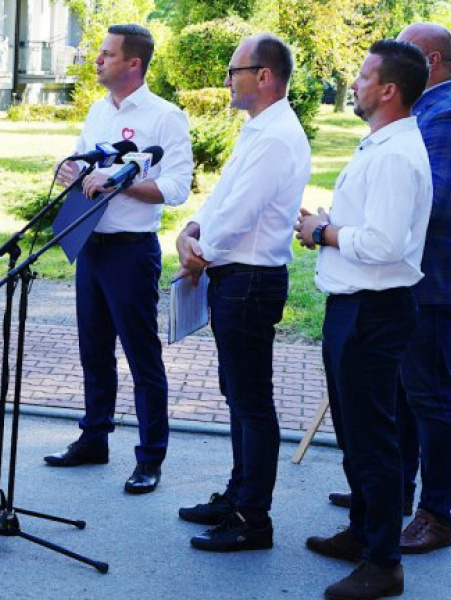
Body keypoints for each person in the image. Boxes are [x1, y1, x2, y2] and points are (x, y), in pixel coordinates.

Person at [323, 23, 451, 556]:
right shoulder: (418, 119)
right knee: (395, 399)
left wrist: (340, 230)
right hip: (395, 276)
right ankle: (390, 494)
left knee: (428, 398)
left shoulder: (449, 118)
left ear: (428, 60)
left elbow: (427, 206)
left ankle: (436, 513)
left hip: (430, 281)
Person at [295, 40, 432, 600]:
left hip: (373, 313)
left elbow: (383, 243)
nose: (353, 83)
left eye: (362, 75)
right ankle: (361, 535)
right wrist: (330, 224)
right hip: (354, 307)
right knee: (355, 434)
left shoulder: (397, 154)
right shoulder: (381, 144)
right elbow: (371, 227)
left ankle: (383, 563)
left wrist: (324, 233)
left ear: (388, 89)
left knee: (373, 439)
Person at [41, 24, 193, 497]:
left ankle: (150, 458)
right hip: (92, 246)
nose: (97, 61)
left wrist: (118, 183)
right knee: (93, 352)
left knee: (142, 358)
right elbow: (86, 170)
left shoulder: (166, 117)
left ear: (134, 63)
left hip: (131, 251)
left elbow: (176, 189)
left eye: (106, 54)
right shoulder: (96, 110)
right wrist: (70, 171)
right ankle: (93, 438)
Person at [173, 34, 311, 551]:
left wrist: (199, 249)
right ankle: (238, 494)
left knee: (252, 402)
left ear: (265, 76)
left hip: (250, 281)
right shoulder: (259, 130)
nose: (228, 80)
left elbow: (239, 215)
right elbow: (223, 196)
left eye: (236, 71)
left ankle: (253, 518)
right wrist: (191, 227)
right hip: (236, 277)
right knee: (238, 395)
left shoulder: (276, 137)